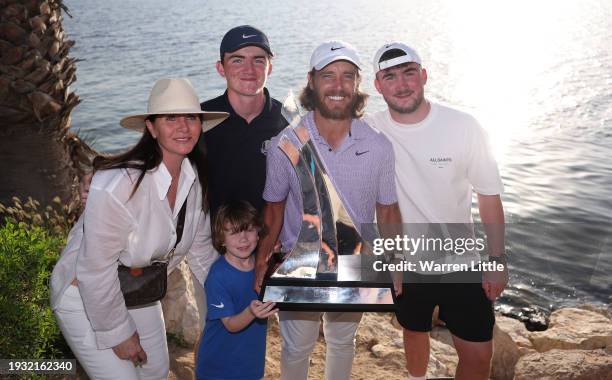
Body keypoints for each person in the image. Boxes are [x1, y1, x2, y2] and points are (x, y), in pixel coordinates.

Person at [50, 78, 228, 379]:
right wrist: (118, 333)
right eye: (170, 118)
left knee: (156, 371)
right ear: (151, 127)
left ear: (201, 124)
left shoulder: (192, 178)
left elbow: (200, 252)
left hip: (135, 289)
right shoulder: (119, 185)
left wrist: (230, 292)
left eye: (191, 117)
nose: (183, 127)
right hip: (83, 294)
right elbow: (95, 269)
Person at [254, 41, 402, 380]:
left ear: (357, 84)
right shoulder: (285, 144)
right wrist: (262, 261)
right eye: (328, 75)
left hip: (355, 258)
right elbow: (273, 209)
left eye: (347, 76)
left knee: (342, 341)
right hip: (301, 260)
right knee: (296, 347)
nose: (338, 85)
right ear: (312, 80)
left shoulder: (379, 146)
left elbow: (388, 211)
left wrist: (395, 262)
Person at [366, 42, 507, 380]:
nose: (401, 84)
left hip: (461, 259)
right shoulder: (369, 129)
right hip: (407, 262)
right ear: (377, 85)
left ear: (424, 75)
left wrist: (498, 260)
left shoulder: (464, 126)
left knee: (478, 354)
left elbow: (488, 198)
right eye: (390, 76)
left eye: (409, 73)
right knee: (414, 333)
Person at [199, 25, 288, 219]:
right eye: (237, 60)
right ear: (220, 68)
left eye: (258, 60)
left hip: (273, 239)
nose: (249, 69)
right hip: (212, 242)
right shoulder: (199, 120)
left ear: (269, 68)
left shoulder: (288, 122)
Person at [196, 201, 277, 380]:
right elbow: (231, 325)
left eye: (248, 229)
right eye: (233, 232)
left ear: (258, 232)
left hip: (250, 366)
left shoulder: (261, 267)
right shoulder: (217, 276)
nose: (243, 238)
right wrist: (251, 312)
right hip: (218, 368)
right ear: (221, 238)